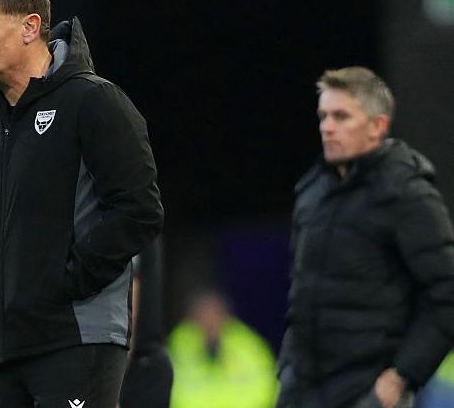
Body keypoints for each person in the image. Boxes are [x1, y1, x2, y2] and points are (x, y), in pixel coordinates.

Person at [0, 0, 164, 408]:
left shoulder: (93, 102)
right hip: (4, 349)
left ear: (31, 27)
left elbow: (138, 210)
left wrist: (64, 282)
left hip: (76, 338)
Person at [276, 67, 454, 408]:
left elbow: (447, 294)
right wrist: (288, 368)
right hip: (302, 389)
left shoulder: (407, 194)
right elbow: (301, 293)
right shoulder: (312, 192)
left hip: (366, 391)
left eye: (341, 116)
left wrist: (401, 377)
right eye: (323, 115)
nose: (327, 126)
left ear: (378, 126)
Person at [166, 291, 277, 408]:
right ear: (192, 318)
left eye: (214, 315)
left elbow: (268, 388)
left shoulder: (248, 346)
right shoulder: (178, 346)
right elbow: (168, 392)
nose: (210, 322)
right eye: (203, 316)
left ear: (226, 315)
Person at [118, 241, 174, 408]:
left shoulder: (127, 219)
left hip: (134, 366)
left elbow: (129, 308)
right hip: (144, 363)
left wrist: (114, 386)